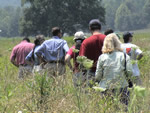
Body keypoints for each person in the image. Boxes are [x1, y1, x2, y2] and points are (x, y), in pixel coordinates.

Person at [95, 33, 132, 106]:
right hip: (122, 86)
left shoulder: (102, 57)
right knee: (123, 108)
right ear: (118, 42)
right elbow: (130, 72)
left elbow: (98, 76)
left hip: (106, 87)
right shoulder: (124, 56)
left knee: (108, 108)